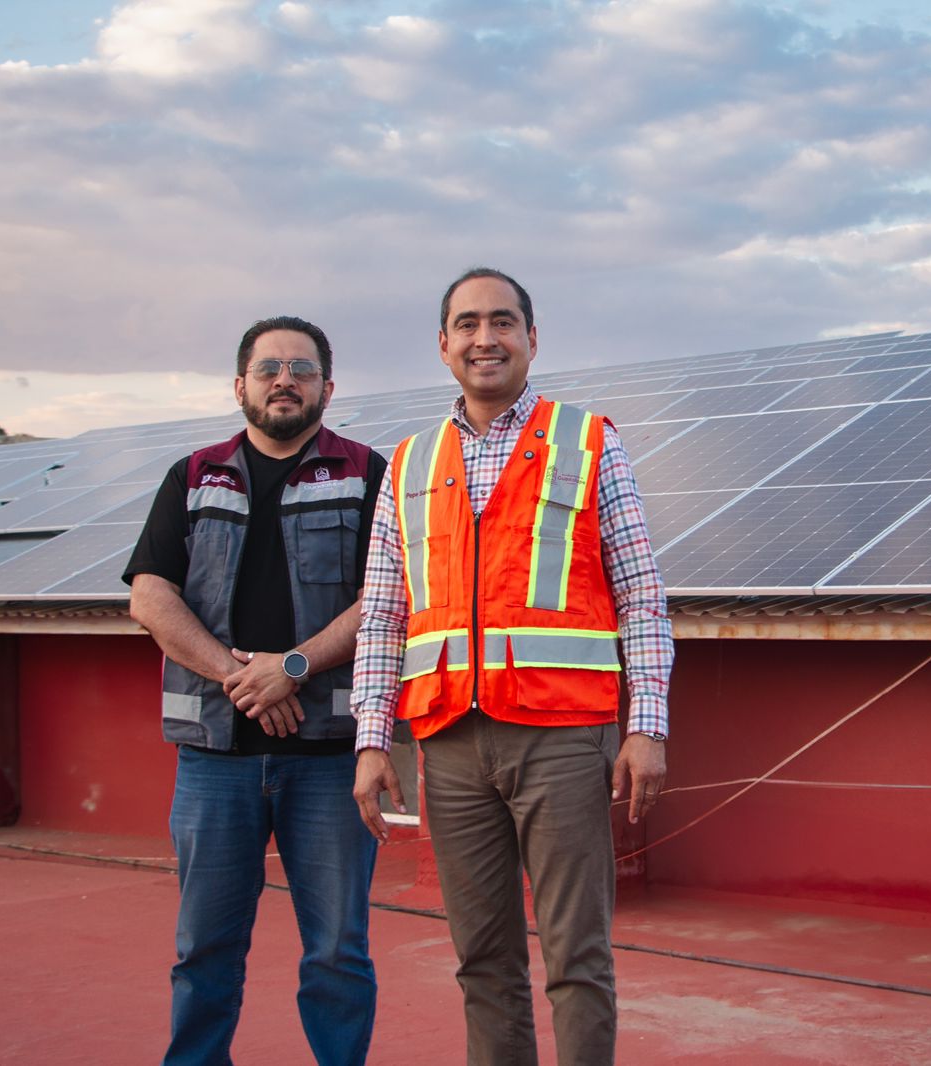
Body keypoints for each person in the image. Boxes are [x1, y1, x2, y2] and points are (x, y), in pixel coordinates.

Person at [352, 268, 673, 1065]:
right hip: (450, 745)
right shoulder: (408, 464)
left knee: (577, 958)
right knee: (483, 964)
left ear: (533, 338)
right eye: (467, 324)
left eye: (502, 322)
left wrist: (647, 727)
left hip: (563, 737)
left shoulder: (589, 439)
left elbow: (640, 593)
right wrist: (369, 740)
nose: (484, 338)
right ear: (443, 344)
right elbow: (384, 611)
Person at [125, 315, 389, 1066]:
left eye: (301, 369)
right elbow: (151, 597)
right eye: (268, 368)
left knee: (338, 952)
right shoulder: (193, 474)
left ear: (327, 388)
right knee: (203, 950)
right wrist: (242, 678)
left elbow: (388, 595)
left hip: (330, 759)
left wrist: (293, 667)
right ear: (239, 384)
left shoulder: (370, 474)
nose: (285, 380)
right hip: (214, 761)